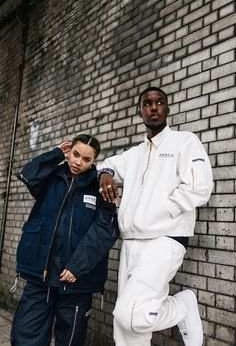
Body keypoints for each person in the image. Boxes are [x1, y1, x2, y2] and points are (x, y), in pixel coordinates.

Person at [97, 86, 213, 346]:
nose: (153, 107)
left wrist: (163, 210)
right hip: (131, 242)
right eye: (147, 103)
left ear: (167, 109)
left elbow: (200, 187)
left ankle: (181, 306)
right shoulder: (135, 153)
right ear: (140, 112)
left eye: (159, 102)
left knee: (133, 314)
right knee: (124, 329)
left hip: (165, 238)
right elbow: (107, 165)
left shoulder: (185, 141)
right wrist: (105, 174)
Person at [10, 134, 119, 346]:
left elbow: (105, 229)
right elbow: (28, 174)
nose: (78, 162)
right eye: (75, 154)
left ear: (93, 162)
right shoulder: (52, 176)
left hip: (76, 281)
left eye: (86, 159)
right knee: (25, 338)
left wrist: (77, 266)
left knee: (69, 341)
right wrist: (56, 154)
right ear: (69, 152)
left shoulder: (99, 187)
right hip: (40, 276)